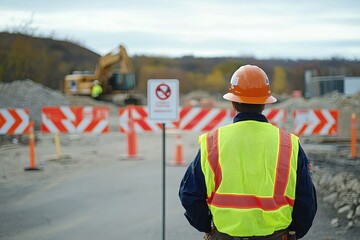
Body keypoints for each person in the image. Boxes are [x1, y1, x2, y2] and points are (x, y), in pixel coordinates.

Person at [179, 65, 317, 240]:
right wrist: (293, 232)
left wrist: (207, 226)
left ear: (232, 102)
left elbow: (189, 194)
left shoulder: (212, 143)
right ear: (265, 103)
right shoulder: (289, 144)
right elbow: (306, 201)